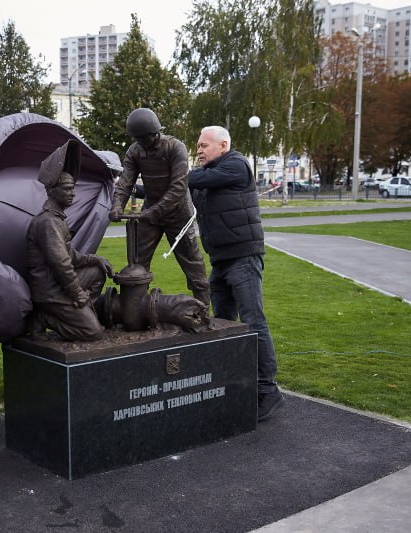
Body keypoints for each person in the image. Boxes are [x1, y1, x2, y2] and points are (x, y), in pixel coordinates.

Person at [187, 125, 284, 422]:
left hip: (243, 257)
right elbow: (178, 188)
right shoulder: (205, 177)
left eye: (204, 145)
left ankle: (268, 390)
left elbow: (188, 179)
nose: (199, 150)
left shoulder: (236, 165)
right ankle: (232, 382)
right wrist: (133, 187)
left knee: (253, 321)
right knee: (223, 322)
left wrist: (171, 173)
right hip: (221, 260)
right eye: (198, 145)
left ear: (223, 145)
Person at [108, 108, 210, 307]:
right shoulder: (134, 151)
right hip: (151, 212)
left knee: (192, 262)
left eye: (143, 138)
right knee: (137, 262)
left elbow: (178, 187)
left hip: (178, 213)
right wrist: (117, 205)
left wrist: (152, 212)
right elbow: (125, 182)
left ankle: (203, 309)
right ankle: (135, 309)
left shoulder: (175, 147)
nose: (140, 142)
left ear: (155, 133)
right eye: (137, 139)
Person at [27, 140, 113, 341]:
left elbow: (69, 255)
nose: (72, 194)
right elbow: (61, 264)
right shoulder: (48, 222)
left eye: (73, 188)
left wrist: (95, 259)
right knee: (93, 332)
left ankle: (79, 312)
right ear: (52, 191)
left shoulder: (57, 219)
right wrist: (77, 294)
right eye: (67, 189)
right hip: (49, 290)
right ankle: (44, 318)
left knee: (97, 271)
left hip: (57, 283)